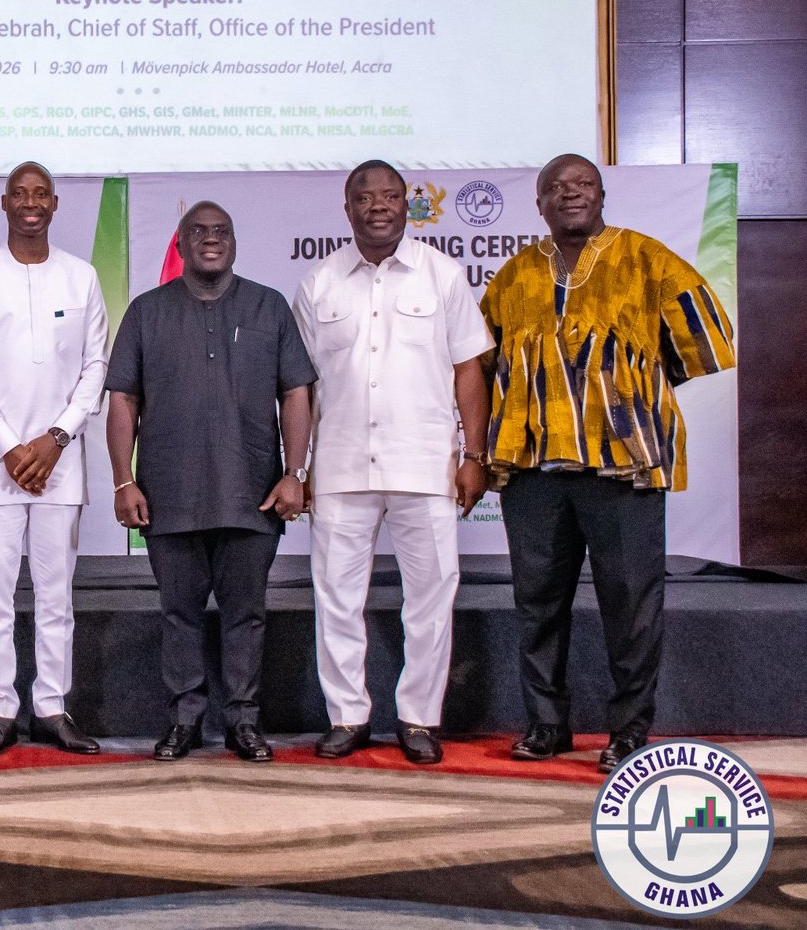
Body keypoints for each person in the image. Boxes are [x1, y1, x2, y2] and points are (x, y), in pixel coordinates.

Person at [482, 154, 736, 772]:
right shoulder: (513, 275)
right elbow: (484, 364)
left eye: (583, 184)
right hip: (534, 471)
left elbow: (702, 344)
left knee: (632, 606)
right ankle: (547, 725)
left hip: (623, 470)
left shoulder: (649, 260)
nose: (570, 194)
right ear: (539, 204)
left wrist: (624, 399)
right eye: (556, 187)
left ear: (602, 196)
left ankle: (629, 730)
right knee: (537, 603)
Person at [293, 161, 493, 766]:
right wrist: (299, 468)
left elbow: (468, 369)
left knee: (431, 595)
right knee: (336, 597)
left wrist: (475, 454)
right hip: (340, 466)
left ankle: (418, 717)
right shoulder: (319, 282)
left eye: (389, 196)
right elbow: (298, 386)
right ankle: (347, 716)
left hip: (425, 463)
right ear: (347, 208)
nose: (377, 206)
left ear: (408, 204)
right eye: (365, 197)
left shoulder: (443, 275)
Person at [105, 202, 315, 763]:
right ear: (180, 243)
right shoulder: (146, 311)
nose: (210, 239)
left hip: (253, 494)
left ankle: (244, 722)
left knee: (247, 617)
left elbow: (296, 391)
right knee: (179, 617)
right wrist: (123, 481)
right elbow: (123, 399)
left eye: (221, 231)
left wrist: (295, 474)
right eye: (197, 231)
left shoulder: (269, 305)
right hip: (169, 496)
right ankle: (184, 721)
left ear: (235, 242)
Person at [0, 162, 109, 759]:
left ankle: (51, 707)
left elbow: (96, 366)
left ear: (55, 203)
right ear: (4, 203)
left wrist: (55, 439)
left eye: (41, 193)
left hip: (59, 464)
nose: (30, 202)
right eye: (19, 193)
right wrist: (12, 447)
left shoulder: (81, 276)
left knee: (55, 595)